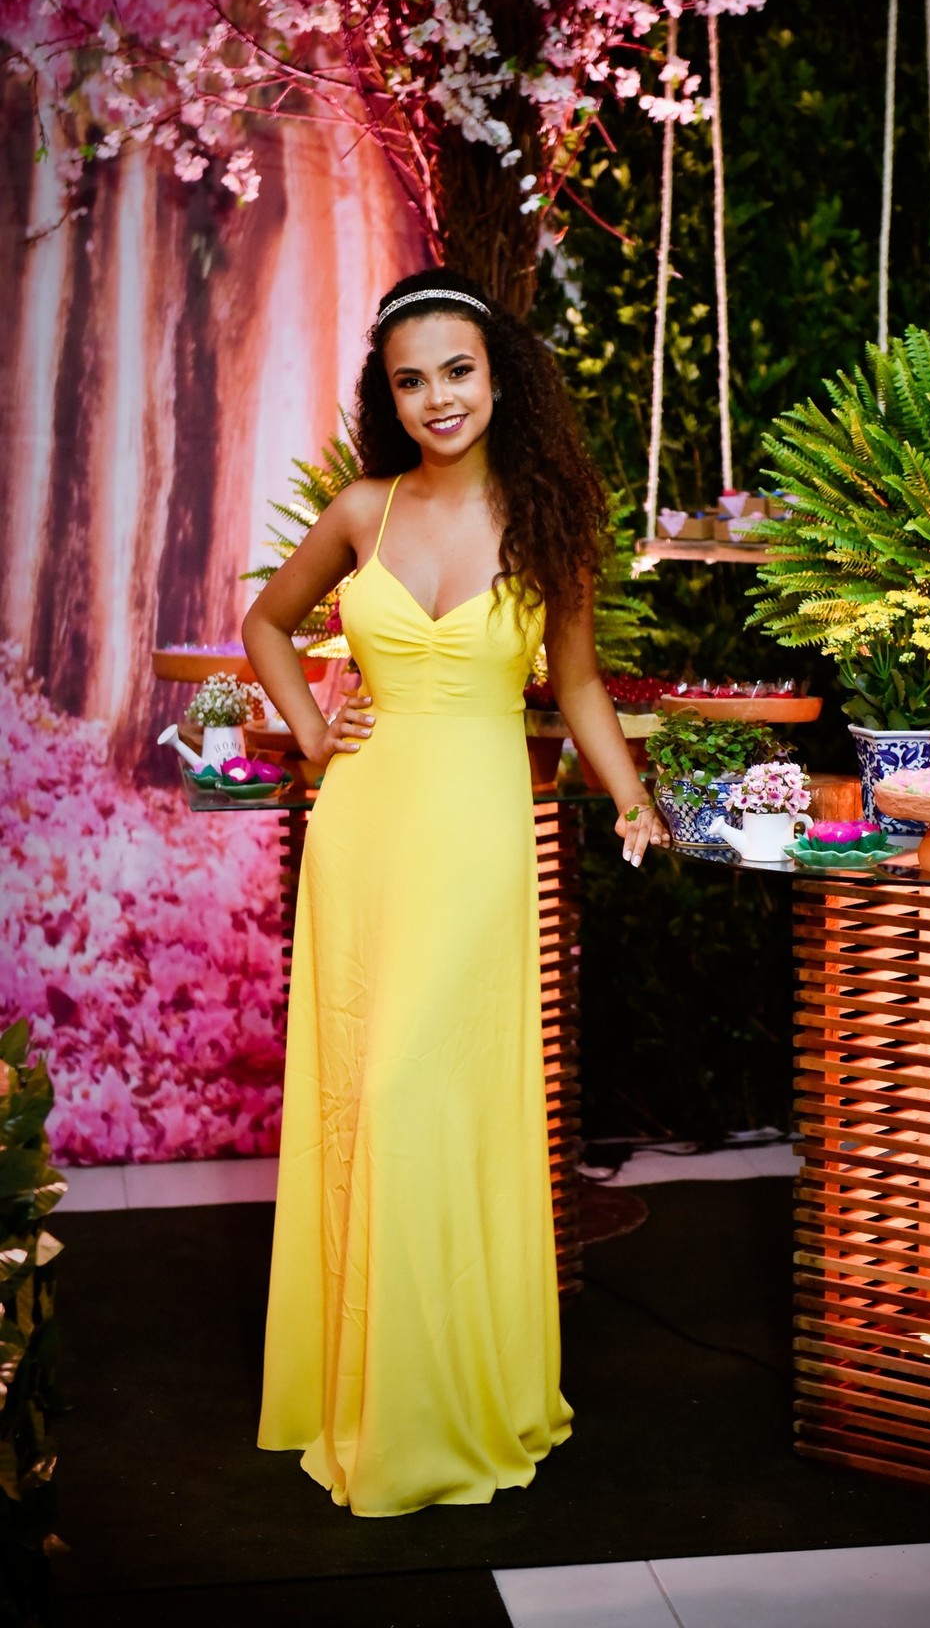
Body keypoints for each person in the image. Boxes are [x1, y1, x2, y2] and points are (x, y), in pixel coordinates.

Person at [243, 267, 670, 1517]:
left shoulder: (546, 524)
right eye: (411, 380)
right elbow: (268, 625)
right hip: (362, 829)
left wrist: (632, 798)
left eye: (458, 372)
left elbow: (576, 684)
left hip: (481, 834)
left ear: (499, 378)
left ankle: (440, 1402)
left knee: (423, 1091)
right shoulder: (361, 511)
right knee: (367, 1096)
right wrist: (313, 733)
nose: (438, 397)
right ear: (388, 396)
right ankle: (369, 1394)